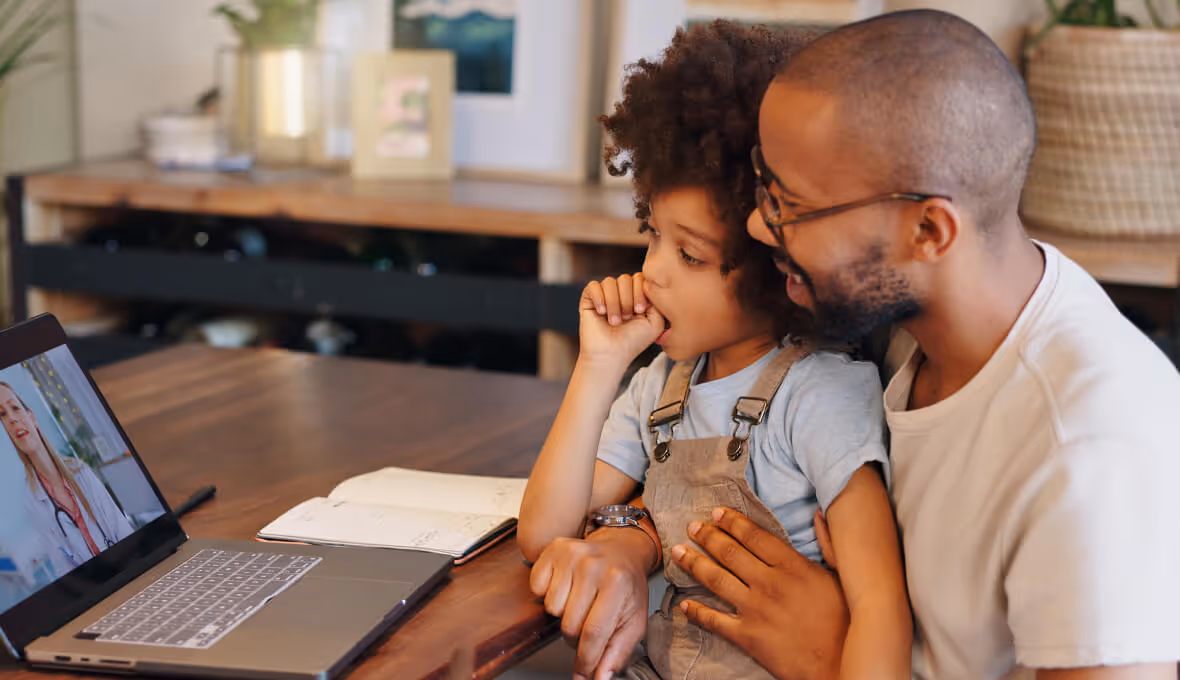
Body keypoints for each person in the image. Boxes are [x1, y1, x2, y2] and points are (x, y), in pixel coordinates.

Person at [535, 9, 1180, 680]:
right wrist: (634, 538)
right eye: (764, 186)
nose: (758, 225)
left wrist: (826, 657)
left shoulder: (1091, 450)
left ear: (928, 231)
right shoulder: (896, 320)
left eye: (792, 205)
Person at [519, 22, 910, 680]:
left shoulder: (819, 394)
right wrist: (599, 365)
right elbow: (543, 533)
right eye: (653, 237)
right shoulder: (660, 383)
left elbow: (881, 603)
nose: (654, 272)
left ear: (773, 268)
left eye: (690, 254)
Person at [0, 381, 134, 577]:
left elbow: (122, 529)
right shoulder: (33, 500)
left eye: (14, 408)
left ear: (32, 418)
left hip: (130, 565)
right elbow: (63, 566)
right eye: (2, 414)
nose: (11, 419)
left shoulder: (80, 470)